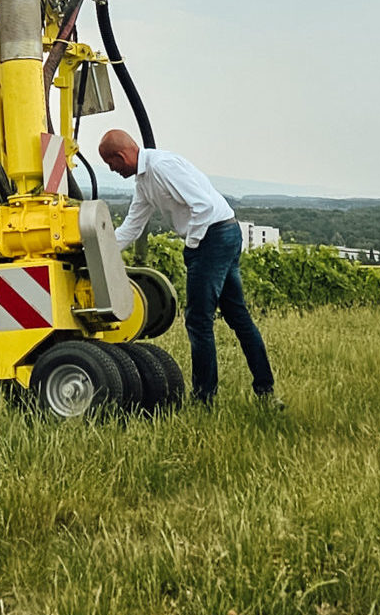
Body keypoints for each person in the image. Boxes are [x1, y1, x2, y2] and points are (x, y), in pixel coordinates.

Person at [98, 129, 279, 407]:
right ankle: (265, 392)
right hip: (221, 233)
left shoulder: (162, 167)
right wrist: (100, 251)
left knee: (198, 320)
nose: (113, 170)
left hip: (212, 236)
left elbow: (203, 206)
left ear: (121, 156)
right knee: (237, 316)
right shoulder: (144, 182)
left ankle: (204, 398)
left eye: (112, 164)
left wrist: (192, 245)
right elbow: (132, 227)